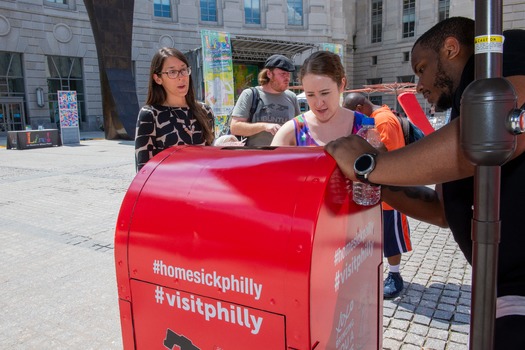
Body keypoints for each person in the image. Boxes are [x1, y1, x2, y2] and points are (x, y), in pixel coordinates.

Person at [325, 17, 525, 348]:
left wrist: (368, 164)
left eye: (420, 69)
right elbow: (443, 212)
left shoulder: (502, 54)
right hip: (502, 291)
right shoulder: (460, 111)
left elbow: (498, 131)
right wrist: (378, 184)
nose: (418, 85)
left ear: (450, 48)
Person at [343, 93, 412, 299]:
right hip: (378, 191)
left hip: (390, 192)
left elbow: (386, 156)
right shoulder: (377, 119)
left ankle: (395, 275)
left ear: (360, 107)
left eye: (353, 113)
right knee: (379, 236)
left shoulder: (382, 120)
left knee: (392, 238)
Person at [134, 47, 215, 171]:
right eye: (172, 72)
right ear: (158, 79)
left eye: (183, 70)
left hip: (201, 187)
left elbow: (211, 160)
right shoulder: (150, 115)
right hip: (167, 188)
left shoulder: (205, 111)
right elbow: (144, 171)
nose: (181, 77)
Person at [270, 51, 366, 148]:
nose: (319, 104)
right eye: (310, 95)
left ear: (342, 85)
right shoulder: (290, 132)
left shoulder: (366, 128)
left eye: (325, 93)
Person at [230, 54, 301, 146]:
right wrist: (264, 126)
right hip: (257, 157)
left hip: (284, 157)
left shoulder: (292, 97)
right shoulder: (250, 94)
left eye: (288, 74)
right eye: (283, 74)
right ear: (269, 74)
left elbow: (299, 129)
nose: (287, 78)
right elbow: (235, 128)